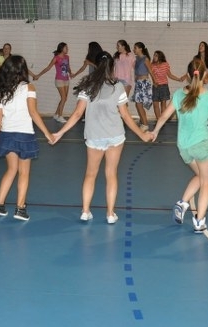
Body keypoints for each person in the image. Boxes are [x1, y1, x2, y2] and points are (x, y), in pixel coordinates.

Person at [51, 51, 151, 224]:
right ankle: (110, 214)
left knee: (90, 174)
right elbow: (126, 116)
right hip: (115, 136)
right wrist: (142, 134)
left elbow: (77, 114)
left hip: (94, 136)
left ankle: (85, 211)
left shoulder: (87, 86)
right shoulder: (118, 86)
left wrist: (59, 133)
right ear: (112, 67)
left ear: (96, 66)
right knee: (111, 174)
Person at [150, 58, 208, 233]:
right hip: (202, 145)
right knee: (206, 182)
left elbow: (164, 116)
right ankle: (199, 221)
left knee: (200, 175)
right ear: (204, 75)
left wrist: (155, 132)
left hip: (184, 147)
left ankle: (182, 204)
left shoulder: (178, 94)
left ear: (189, 75)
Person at [0, 55, 55, 221]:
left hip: (7, 134)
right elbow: (33, 112)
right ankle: (20, 208)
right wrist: (47, 133)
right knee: (24, 173)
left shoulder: (1, 90)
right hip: (24, 135)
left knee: (11, 170)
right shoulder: (29, 87)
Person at [34, 42, 72, 123]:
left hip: (66, 79)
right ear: (62, 48)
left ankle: (56, 115)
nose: (67, 49)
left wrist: (71, 73)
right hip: (59, 80)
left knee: (64, 98)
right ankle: (60, 116)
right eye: (66, 48)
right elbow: (48, 68)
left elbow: (68, 67)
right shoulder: (56, 58)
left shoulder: (67, 57)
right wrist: (38, 75)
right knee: (63, 98)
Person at [150, 50, 186, 124]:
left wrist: (178, 79)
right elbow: (152, 75)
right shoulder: (152, 65)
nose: (154, 57)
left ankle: (162, 121)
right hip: (156, 87)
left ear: (160, 57)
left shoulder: (165, 64)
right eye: (154, 55)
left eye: (156, 55)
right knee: (155, 104)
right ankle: (158, 120)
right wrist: (154, 82)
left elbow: (169, 75)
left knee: (163, 104)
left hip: (164, 86)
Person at [132, 42, 156, 130]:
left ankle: (145, 124)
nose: (134, 49)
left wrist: (155, 81)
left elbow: (150, 71)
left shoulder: (145, 59)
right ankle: (143, 122)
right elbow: (136, 70)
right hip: (138, 83)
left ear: (140, 49)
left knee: (139, 104)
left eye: (135, 48)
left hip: (144, 83)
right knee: (137, 104)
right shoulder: (136, 59)